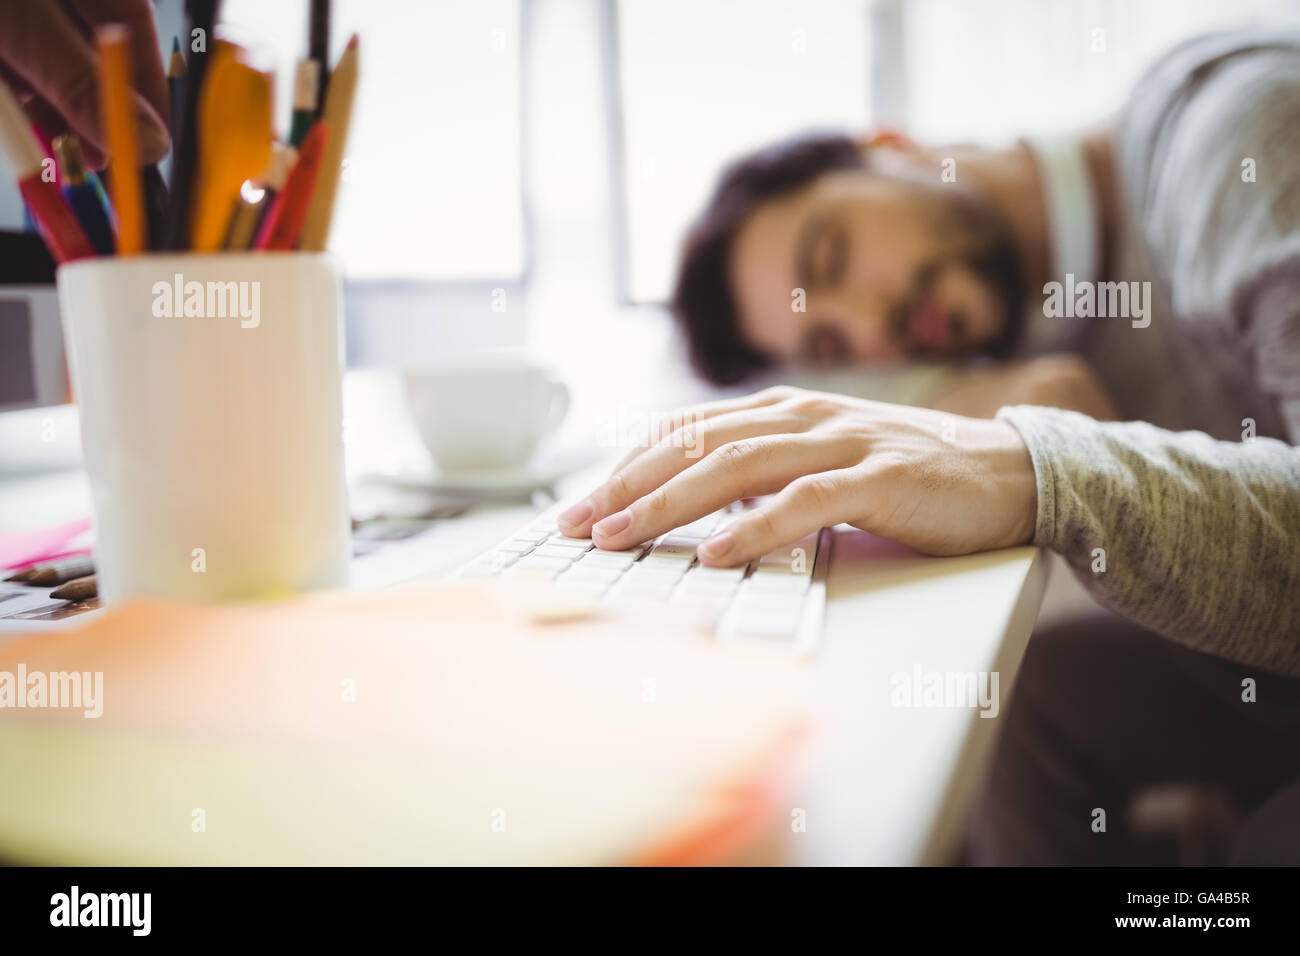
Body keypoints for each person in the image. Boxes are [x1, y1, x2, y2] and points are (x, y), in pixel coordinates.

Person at [557, 28, 1300, 863]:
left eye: (833, 254)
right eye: (835, 346)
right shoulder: (1041, 325)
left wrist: (1044, 471)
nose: (877, 326)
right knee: (1019, 707)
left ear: (892, 146)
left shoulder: (1240, 142)